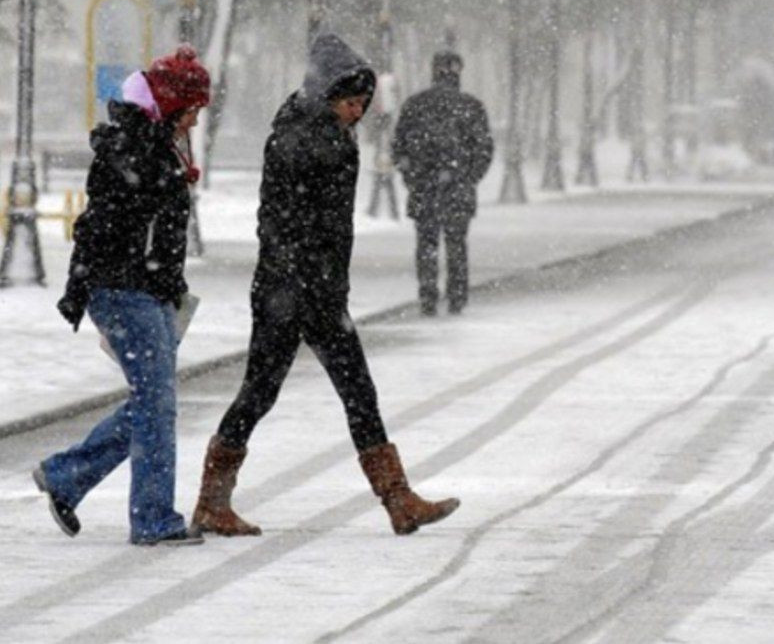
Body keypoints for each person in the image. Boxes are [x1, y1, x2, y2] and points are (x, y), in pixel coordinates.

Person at [192, 34, 459, 537]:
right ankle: (212, 502)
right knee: (265, 392)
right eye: (349, 101)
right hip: (291, 291)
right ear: (325, 93)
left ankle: (398, 500)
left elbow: (324, 227)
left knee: (348, 390)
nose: (356, 111)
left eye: (362, 103)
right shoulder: (302, 139)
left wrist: (325, 283)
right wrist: (304, 282)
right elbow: (280, 222)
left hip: (313, 290)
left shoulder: (323, 133)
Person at [35, 45, 209, 546]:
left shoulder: (156, 145)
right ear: (174, 104)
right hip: (122, 289)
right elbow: (105, 225)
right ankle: (152, 518)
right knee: (157, 403)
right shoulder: (132, 146)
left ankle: (66, 475)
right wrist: (87, 285)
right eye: (193, 111)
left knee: (153, 401)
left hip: (146, 289)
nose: (195, 122)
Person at [392, 50, 494, 316]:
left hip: (423, 188)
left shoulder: (415, 105)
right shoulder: (471, 107)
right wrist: (468, 177)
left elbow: (399, 147)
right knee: (456, 243)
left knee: (426, 244)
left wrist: (412, 177)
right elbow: (484, 150)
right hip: (457, 189)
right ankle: (457, 295)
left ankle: (428, 295)